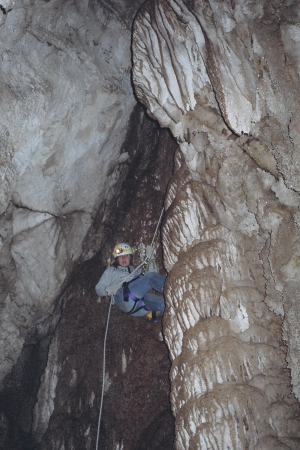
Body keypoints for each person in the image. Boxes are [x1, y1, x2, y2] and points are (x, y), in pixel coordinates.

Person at [95, 242, 165, 317]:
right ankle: (172, 288)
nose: (124, 258)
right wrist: (109, 289)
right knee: (150, 277)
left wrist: (151, 259)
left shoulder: (137, 270)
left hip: (139, 305)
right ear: (117, 259)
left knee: (164, 303)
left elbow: (154, 277)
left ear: (130, 257)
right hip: (122, 296)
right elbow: (98, 288)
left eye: (126, 255)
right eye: (120, 256)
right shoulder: (111, 270)